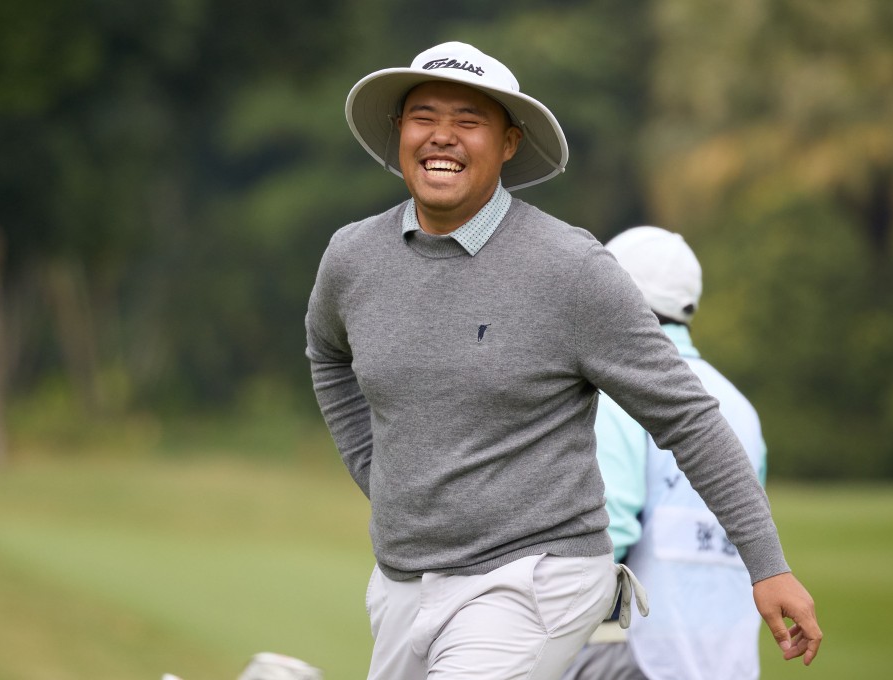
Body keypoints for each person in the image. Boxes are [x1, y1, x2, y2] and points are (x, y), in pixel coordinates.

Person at [304, 41, 822, 680]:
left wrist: (767, 564)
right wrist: (376, 472)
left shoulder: (570, 269)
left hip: (535, 575)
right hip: (403, 578)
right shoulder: (352, 257)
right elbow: (327, 356)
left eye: (468, 121)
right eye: (424, 117)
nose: (442, 137)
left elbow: (687, 416)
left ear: (509, 143)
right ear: (398, 131)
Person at [562, 227, 769, 680]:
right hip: (726, 660)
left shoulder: (617, 392)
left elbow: (605, 531)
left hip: (626, 655)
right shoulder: (740, 407)